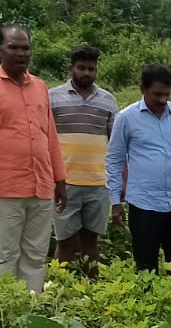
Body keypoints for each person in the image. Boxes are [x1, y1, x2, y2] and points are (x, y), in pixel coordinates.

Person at [0, 25, 67, 293]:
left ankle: (29, 312)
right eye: (13, 47)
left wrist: (60, 179)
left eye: (25, 48)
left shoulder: (40, 87)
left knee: (35, 256)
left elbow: (50, 136)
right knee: (4, 255)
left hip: (41, 185)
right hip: (5, 187)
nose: (21, 53)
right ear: (0, 50)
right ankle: (2, 313)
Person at [107, 64, 171, 272]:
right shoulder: (126, 118)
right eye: (157, 94)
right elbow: (114, 160)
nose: (162, 100)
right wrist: (115, 201)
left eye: (166, 94)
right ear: (142, 89)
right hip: (144, 204)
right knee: (146, 267)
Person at [48, 45, 118, 274]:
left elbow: (115, 143)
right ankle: (59, 291)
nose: (86, 73)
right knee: (65, 242)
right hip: (64, 184)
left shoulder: (107, 100)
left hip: (98, 183)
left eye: (91, 68)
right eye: (81, 68)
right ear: (71, 68)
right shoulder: (52, 98)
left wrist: (119, 181)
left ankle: (93, 292)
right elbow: (45, 138)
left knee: (91, 241)